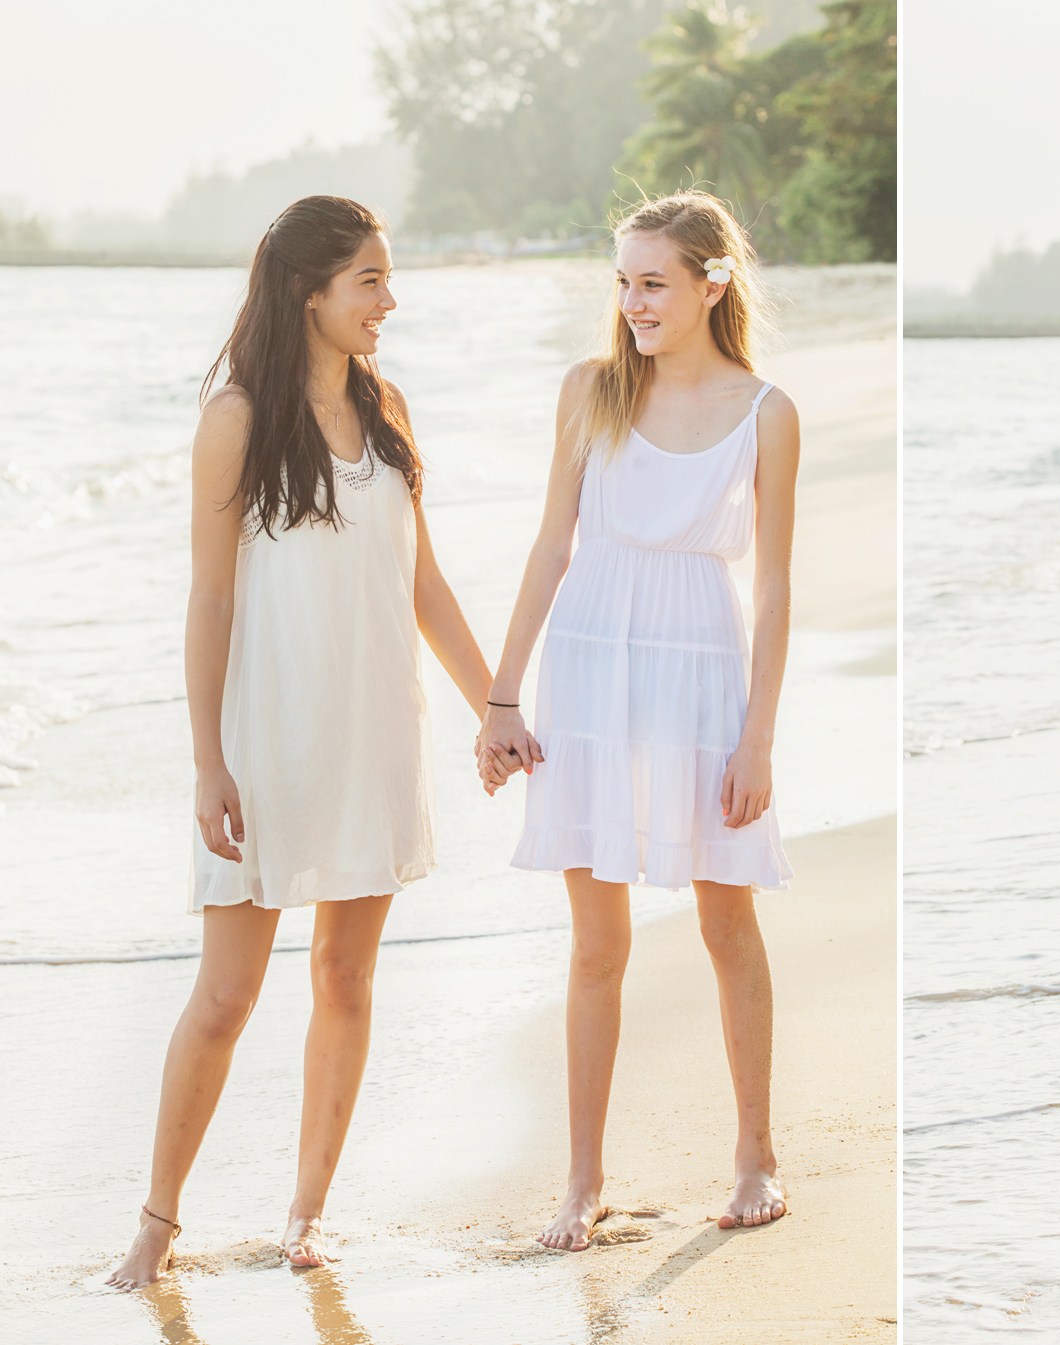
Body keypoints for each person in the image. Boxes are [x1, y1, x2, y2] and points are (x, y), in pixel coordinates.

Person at [108, 196, 498, 1290]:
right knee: (227, 995)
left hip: (377, 730)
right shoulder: (235, 417)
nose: (388, 299)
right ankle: (156, 1220)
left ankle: (306, 1215)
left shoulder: (389, 410)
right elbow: (209, 598)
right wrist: (206, 760)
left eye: (386, 276)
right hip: (267, 743)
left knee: (346, 976)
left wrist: (492, 706)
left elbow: (422, 579)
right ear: (307, 290)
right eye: (369, 279)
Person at [477, 191, 798, 1250]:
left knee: (725, 916)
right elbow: (547, 551)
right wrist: (501, 696)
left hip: (701, 665)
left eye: (652, 280)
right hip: (591, 663)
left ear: (713, 282)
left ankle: (755, 1152)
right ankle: (583, 1178)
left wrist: (758, 736)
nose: (633, 301)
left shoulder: (767, 411)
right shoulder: (591, 391)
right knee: (595, 941)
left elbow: (780, 587)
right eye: (622, 281)